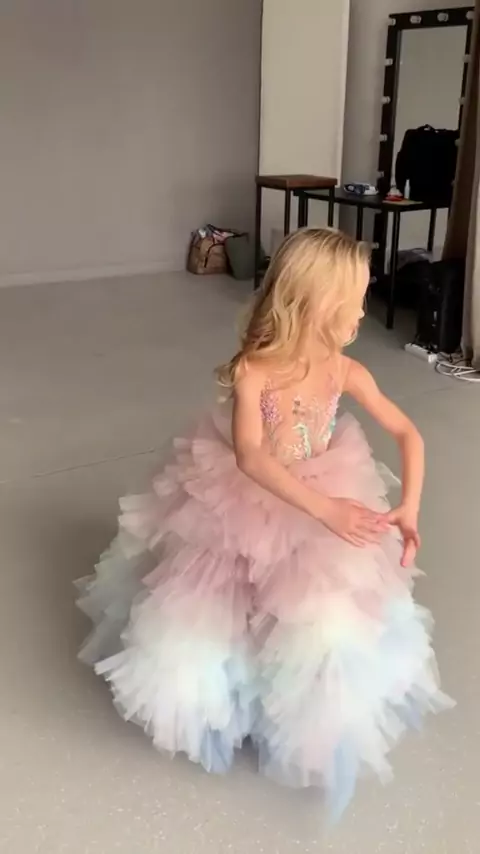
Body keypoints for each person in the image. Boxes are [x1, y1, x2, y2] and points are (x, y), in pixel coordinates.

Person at [76, 228, 452, 819]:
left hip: (325, 487)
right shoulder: (255, 371)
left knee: (317, 613)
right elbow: (251, 457)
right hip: (247, 500)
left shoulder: (345, 371)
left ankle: (294, 704)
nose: (364, 309)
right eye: (356, 298)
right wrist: (325, 509)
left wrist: (411, 506)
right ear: (318, 303)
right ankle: (232, 696)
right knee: (217, 601)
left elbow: (408, 432)